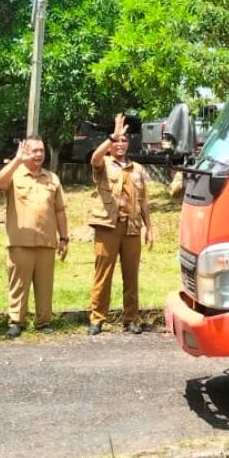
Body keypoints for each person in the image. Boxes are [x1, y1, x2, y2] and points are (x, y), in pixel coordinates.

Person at [86, 114, 154, 335]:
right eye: (117, 141)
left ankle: (131, 318)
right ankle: (97, 318)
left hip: (132, 227)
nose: (121, 144)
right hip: (108, 226)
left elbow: (143, 200)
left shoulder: (138, 169)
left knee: (131, 275)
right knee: (103, 273)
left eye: (124, 140)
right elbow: (95, 158)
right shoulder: (104, 163)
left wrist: (149, 228)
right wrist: (111, 136)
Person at [0, 136, 68, 338]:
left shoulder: (52, 178)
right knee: (18, 284)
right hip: (20, 242)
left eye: (41, 151)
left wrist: (64, 238)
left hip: (46, 241)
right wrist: (17, 160)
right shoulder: (15, 175)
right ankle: (16, 321)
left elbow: (60, 210)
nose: (38, 155)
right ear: (24, 151)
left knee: (45, 285)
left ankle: (43, 321)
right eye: (33, 151)